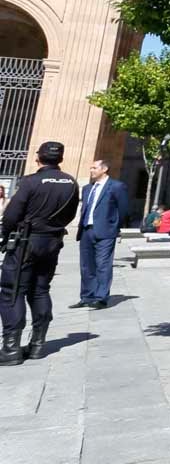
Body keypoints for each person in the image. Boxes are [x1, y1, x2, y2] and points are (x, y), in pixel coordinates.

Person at [1, 141, 80, 365]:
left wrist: (6, 235)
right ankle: (37, 344)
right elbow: (71, 213)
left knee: (12, 291)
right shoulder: (71, 183)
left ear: (38, 158)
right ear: (60, 159)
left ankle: (10, 348)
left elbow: (11, 215)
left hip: (26, 242)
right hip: (52, 241)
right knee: (40, 290)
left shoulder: (31, 181)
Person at [73, 158, 128, 311]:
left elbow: (123, 209)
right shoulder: (87, 188)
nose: (91, 170)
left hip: (105, 232)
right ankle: (86, 296)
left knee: (103, 265)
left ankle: (101, 298)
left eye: (94, 168)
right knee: (86, 266)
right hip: (86, 231)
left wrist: (114, 226)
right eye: (91, 168)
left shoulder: (116, 186)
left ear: (104, 169)